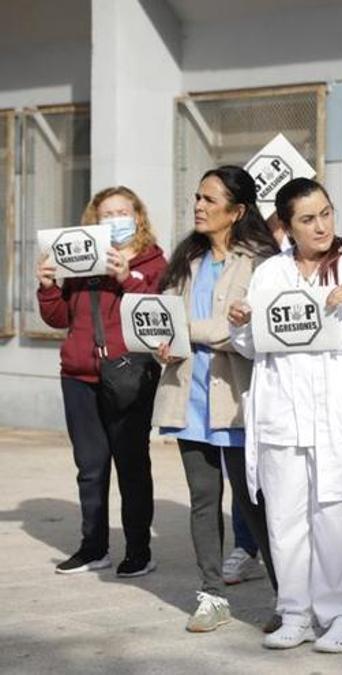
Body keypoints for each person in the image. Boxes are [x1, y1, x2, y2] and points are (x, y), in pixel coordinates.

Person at [229, 178, 342, 653]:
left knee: (339, 521)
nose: (321, 226)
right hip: (284, 416)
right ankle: (295, 611)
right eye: (307, 219)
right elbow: (255, 347)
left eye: (326, 213)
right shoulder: (270, 275)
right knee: (286, 521)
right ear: (287, 225)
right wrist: (241, 326)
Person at [154, 166, 281, 632]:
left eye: (210, 199)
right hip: (188, 398)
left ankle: (286, 597)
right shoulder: (186, 259)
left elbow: (242, 330)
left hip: (236, 399)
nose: (199, 207)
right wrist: (162, 342)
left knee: (254, 504)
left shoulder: (262, 262)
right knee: (203, 501)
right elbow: (165, 319)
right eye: (197, 198)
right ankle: (211, 595)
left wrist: (188, 331)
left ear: (238, 210)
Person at [37, 187, 166, 577]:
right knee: (90, 467)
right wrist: (48, 287)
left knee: (132, 465)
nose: (114, 220)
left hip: (128, 373)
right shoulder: (77, 259)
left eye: (121, 212)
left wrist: (127, 278)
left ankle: (138, 550)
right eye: (105, 214)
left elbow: (155, 313)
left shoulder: (154, 260)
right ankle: (93, 547)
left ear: (137, 216)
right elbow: (59, 319)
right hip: (78, 376)